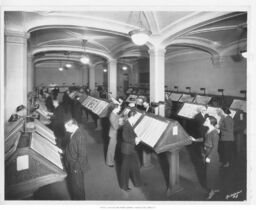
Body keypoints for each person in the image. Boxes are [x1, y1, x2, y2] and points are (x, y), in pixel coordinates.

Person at [64, 119, 89, 200]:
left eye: (67, 127)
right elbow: (72, 147)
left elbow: (82, 155)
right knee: (74, 187)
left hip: (76, 167)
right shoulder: (74, 133)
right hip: (72, 164)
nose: (66, 129)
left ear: (73, 126)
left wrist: (75, 168)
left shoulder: (80, 136)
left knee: (78, 188)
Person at [120, 109, 142, 192]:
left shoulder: (131, 123)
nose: (136, 119)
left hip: (131, 149)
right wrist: (135, 140)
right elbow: (125, 138)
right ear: (132, 116)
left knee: (135, 165)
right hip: (127, 150)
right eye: (135, 117)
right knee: (125, 169)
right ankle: (124, 186)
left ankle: (137, 183)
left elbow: (132, 133)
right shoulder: (126, 125)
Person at [203, 115, 221, 200]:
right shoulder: (208, 130)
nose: (205, 121)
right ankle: (215, 188)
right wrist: (194, 139)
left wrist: (209, 157)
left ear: (211, 123)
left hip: (212, 156)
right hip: (207, 153)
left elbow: (215, 147)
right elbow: (204, 140)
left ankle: (212, 191)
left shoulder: (214, 133)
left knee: (211, 174)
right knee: (211, 173)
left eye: (206, 120)